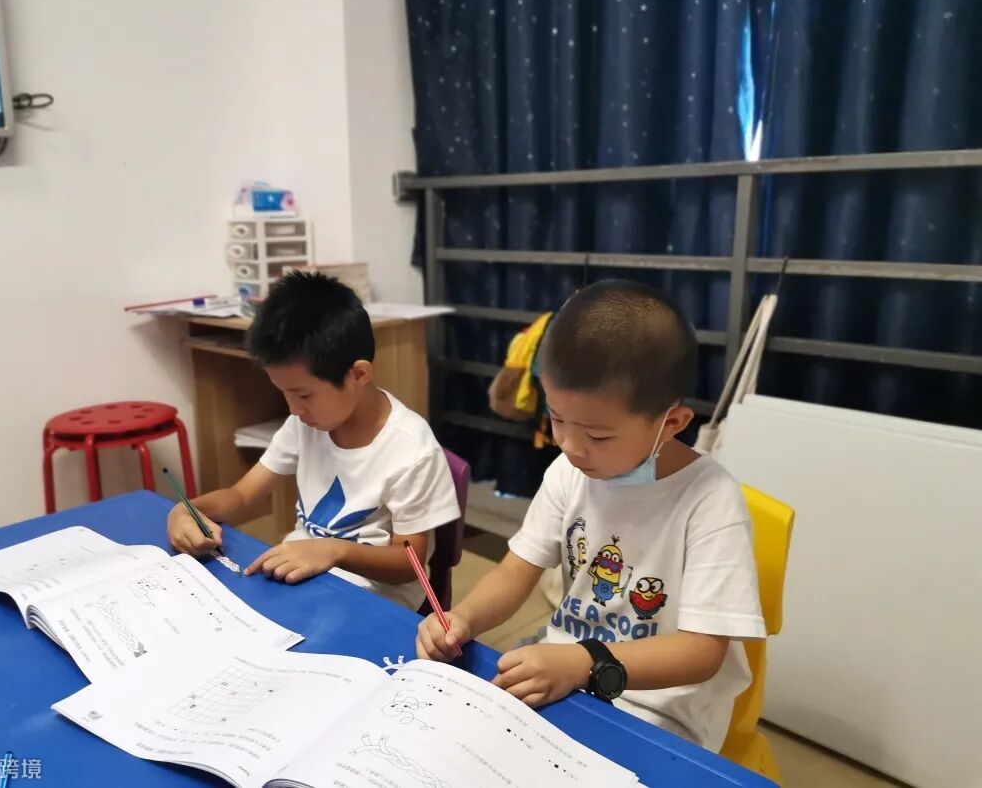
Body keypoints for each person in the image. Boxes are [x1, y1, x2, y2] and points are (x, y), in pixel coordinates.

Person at [416, 279, 765, 751]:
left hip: (657, 709)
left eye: (598, 436)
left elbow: (702, 651)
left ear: (671, 423)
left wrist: (584, 661)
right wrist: (464, 617)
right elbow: (517, 570)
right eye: (556, 418)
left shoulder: (710, 500)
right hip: (562, 673)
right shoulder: (569, 471)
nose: (570, 445)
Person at [168, 271, 460, 610]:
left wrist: (335, 551)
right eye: (285, 394)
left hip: (374, 601)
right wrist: (187, 510)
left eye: (304, 394)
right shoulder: (304, 424)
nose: (294, 409)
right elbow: (242, 495)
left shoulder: (411, 450)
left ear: (359, 374)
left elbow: (410, 565)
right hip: (306, 580)